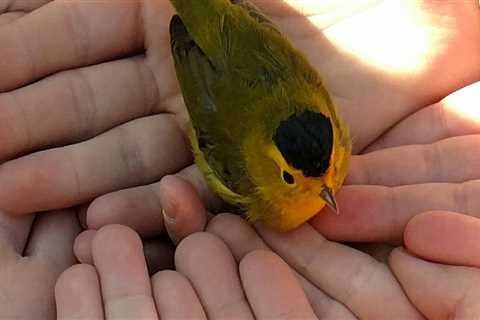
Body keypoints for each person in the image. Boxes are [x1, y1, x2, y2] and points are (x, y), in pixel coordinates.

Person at [0, 0, 478, 318]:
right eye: (293, 180)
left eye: (331, 169)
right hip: (208, 59)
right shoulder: (242, 172)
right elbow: (204, 121)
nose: (328, 187)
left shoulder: (327, 132)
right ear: (271, 168)